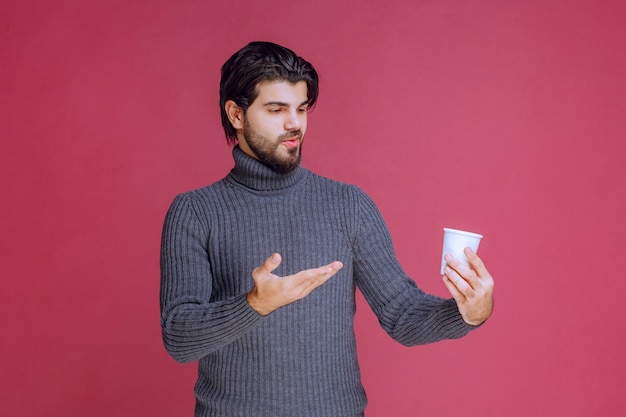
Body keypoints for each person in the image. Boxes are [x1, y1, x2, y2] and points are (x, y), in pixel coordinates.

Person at [160, 41, 494, 417]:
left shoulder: (348, 204)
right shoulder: (195, 212)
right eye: (277, 109)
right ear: (236, 114)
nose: (295, 124)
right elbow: (179, 337)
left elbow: (402, 314)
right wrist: (256, 304)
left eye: (301, 109)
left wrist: (469, 312)